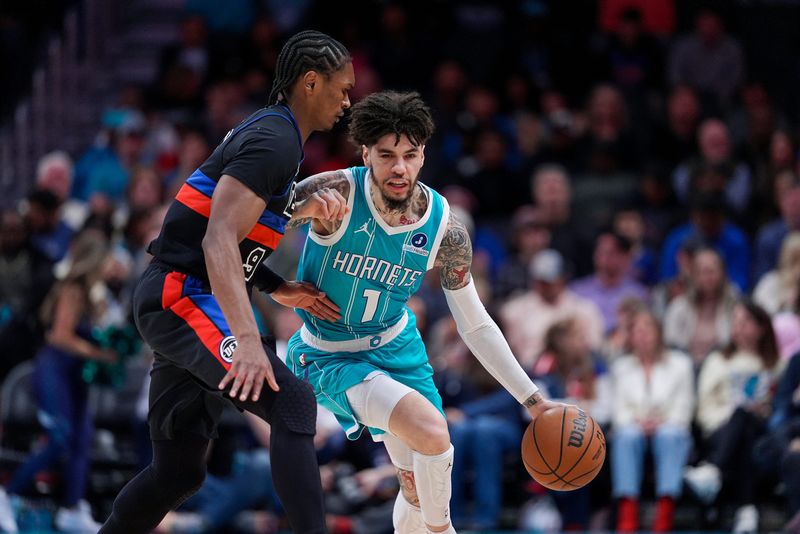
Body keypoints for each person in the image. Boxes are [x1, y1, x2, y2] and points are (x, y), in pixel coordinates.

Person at [97, 30, 355, 534]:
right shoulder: (276, 140)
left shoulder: (276, 139)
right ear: (309, 82)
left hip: (179, 295)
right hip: (183, 295)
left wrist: (278, 286)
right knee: (293, 402)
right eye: (342, 87)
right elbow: (217, 241)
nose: (348, 100)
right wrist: (252, 344)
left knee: (178, 473)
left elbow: (229, 241)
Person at [284, 91, 562, 534]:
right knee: (434, 433)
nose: (399, 168)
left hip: (399, 348)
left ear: (423, 156)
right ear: (365, 154)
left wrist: (532, 399)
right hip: (330, 354)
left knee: (416, 489)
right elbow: (249, 224)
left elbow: (474, 323)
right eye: (387, 155)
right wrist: (277, 287)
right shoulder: (334, 192)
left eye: (410, 155)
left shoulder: (444, 229)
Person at [0, 230, 117, 534]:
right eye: (107, 258)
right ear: (96, 258)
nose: (111, 264)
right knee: (60, 436)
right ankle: (7, 493)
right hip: (55, 369)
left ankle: (72, 508)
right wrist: (98, 352)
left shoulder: (96, 295)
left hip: (76, 374)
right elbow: (59, 336)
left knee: (82, 439)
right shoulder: (72, 288)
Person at [611, 309, 695, 533]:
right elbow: (619, 410)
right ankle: (627, 514)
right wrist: (637, 422)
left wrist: (661, 422)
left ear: (659, 333)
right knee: (626, 436)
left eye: (648, 330)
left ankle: (665, 513)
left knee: (669, 435)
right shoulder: (621, 368)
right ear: (630, 337)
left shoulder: (681, 364)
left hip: (670, 425)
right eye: (637, 331)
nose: (643, 336)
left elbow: (684, 407)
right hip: (635, 426)